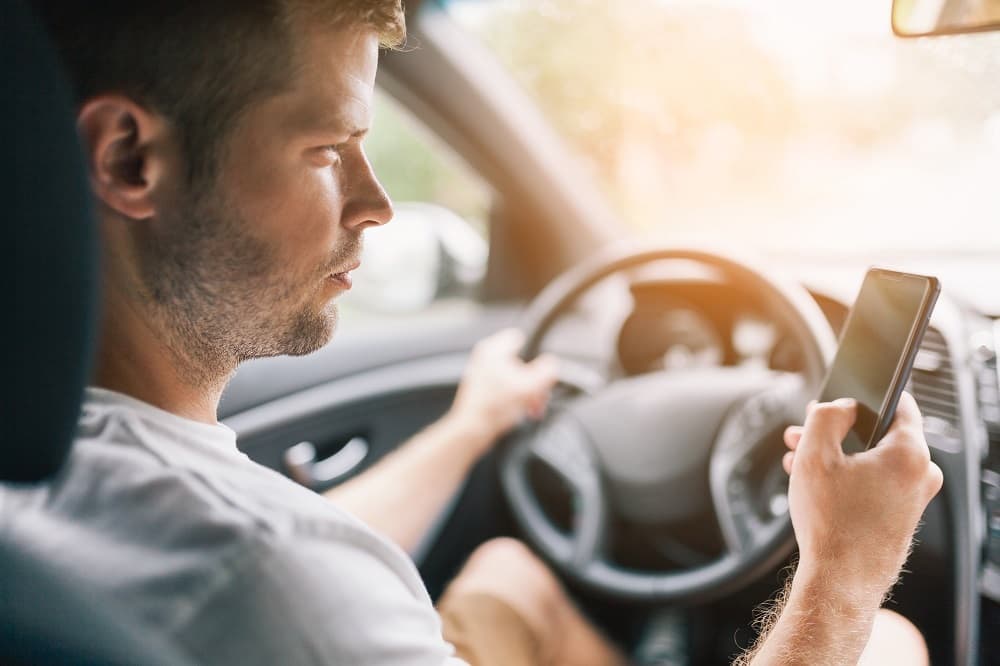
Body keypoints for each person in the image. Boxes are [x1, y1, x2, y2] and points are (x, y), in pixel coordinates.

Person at [3, 1, 941, 664]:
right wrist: (843, 575)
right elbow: (279, 571)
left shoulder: (67, 468)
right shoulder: (274, 579)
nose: (377, 206)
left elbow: (282, 557)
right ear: (130, 157)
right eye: (328, 151)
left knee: (509, 574)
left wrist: (472, 425)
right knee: (886, 644)